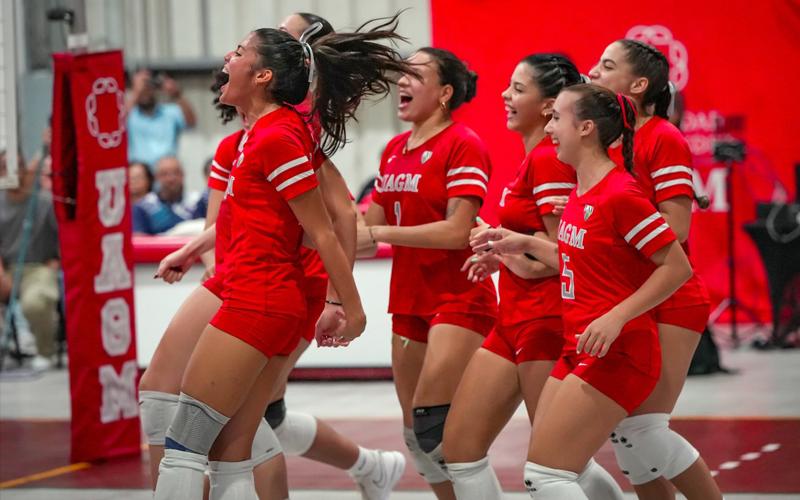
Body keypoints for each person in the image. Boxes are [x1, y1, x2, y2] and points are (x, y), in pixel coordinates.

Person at [151, 17, 411, 500]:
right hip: (261, 296)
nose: (227, 59)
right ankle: (369, 468)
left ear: (263, 75)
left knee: (184, 444)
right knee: (231, 453)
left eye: (237, 51)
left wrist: (349, 308)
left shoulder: (278, 136)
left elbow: (328, 229)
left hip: (259, 301)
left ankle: (371, 467)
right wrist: (195, 249)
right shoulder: (262, 133)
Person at [470, 83, 692, 499]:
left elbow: (676, 267)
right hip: (579, 344)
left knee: (547, 476)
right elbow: (579, 259)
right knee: (551, 470)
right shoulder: (580, 189)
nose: (549, 127)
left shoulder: (621, 194)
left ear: (586, 127)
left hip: (618, 350)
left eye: (557, 118)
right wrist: (524, 243)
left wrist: (617, 316)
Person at [443, 54, 622, 500]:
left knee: (558, 466)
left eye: (518, 89)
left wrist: (498, 244)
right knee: (460, 450)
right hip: (512, 318)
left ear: (549, 108)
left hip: (546, 321)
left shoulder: (548, 161)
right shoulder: (533, 160)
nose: (505, 96)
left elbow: (565, 257)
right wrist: (499, 247)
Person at [358, 47, 497, 500]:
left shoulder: (463, 144)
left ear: (444, 93)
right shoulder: (395, 148)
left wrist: (378, 231)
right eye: (400, 73)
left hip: (459, 297)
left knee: (433, 423)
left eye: (415, 75)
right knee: (418, 440)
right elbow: (365, 222)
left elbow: (459, 231)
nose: (401, 81)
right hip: (408, 299)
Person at [588, 39, 721, 500]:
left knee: (643, 431)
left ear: (639, 84)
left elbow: (676, 225)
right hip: (625, 297)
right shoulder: (607, 141)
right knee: (628, 440)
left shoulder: (662, 136)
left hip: (671, 298)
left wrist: (608, 227)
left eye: (606, 66)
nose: (591, 72)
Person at [0, 150, 60, 370]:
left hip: (38, 268)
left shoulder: (44, 202)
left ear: (26, 170)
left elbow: (62, 237)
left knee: (36, 303)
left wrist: (56, 261)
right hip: (5, 269)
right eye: (5, 167)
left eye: (17, 167)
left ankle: (46, 351)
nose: (12, 173)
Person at [127, 69, 197, 169]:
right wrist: (136, 93)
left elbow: (191, 123)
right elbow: (115, 128)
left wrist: (177, 95)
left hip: (166, 173)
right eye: (142, 86)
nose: (145, 90)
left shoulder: (169, 111)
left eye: (149, 85)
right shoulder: (130, 114)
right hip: (139, 174)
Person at [132, 156, 202, 235]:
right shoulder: (143, 206)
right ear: (156, 177)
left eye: (176, 173)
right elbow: (139, 240)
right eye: (164, 174)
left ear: (183, 174)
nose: (171, 178)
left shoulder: (197, 202)